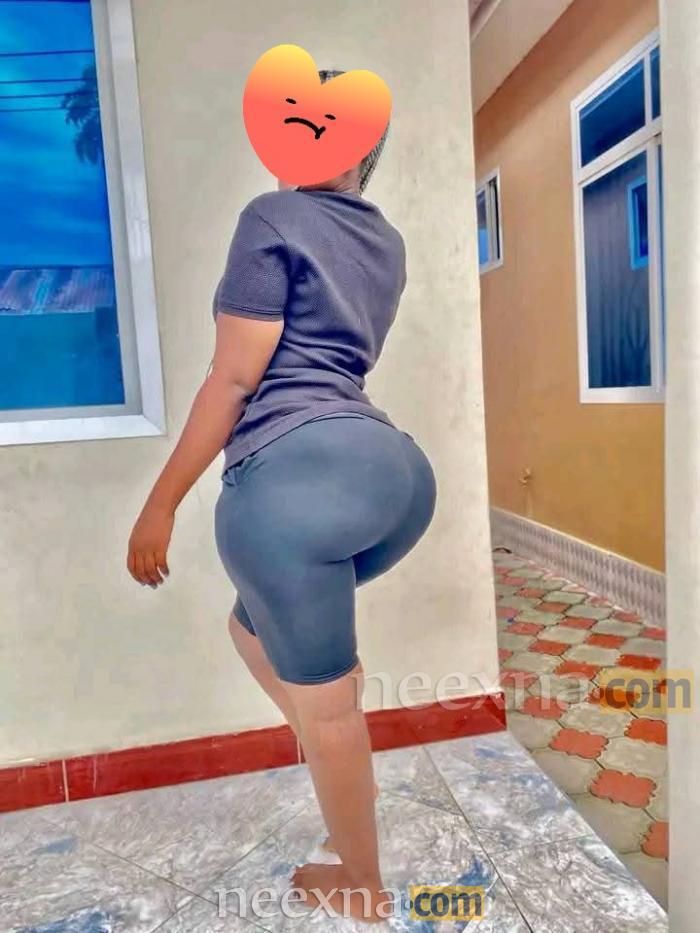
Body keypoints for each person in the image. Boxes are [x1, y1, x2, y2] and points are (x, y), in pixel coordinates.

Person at [127, 70, 436, 923]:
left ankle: (360, 883)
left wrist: (161, 504)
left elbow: (234, 380)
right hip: (398, 476)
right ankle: (340, 747)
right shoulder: (386, 240)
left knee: (327, 705)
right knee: (252, 629)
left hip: (292, 485)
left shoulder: (270, 218)